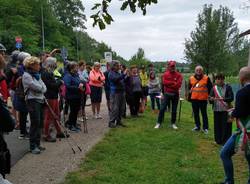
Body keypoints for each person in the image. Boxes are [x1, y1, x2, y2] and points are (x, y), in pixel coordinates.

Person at [220, 67, 250, 184]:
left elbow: (240, 112)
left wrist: (233, 112)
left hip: (244, 130)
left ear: (242, 78)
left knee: (225, 153)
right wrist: (237, 109)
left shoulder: (242, 92)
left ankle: (229, 181)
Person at [22, 56, 47, 154]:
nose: (39, 66)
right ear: (32, 65)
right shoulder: (26, 75)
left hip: (40, 100)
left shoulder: (37, 75)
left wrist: (41, 88)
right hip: (32, 101)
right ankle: (32, 146)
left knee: (40, 123)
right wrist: (42, 88)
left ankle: (37, 143)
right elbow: (35, 87)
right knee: (35, 123)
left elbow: (43, 87)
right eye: (37, 64)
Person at [41, 57, 65, 142]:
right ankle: (46, 134)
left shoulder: (50, 72)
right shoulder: (46, 73)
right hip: (49, 96)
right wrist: (60, 82)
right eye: (54, 63)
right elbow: (51, 86)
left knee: (56, 115)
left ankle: (59, 132)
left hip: (54, 96)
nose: (56, 64)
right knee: (49, 116)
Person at [154, 61, 183, 129]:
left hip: (175, 94)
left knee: (174, 110)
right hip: (167, 94)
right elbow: (164, 83)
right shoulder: (165, 74)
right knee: (162, 108)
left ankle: (173, 123)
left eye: (173, 66)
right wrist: (173, 83)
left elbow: (178, 85)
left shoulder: (179, 75)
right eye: (171, 66)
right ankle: (159, 123)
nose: (172, 67)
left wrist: (170, 84)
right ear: (169, 67)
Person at [209, 73, 234, 145]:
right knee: (217, 125)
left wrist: (222, 99)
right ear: (215, 80)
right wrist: (211, 99)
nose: (220, 80)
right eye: (218, 79)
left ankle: (225, 141)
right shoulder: (213, 88)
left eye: (221, 79)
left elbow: (231, 98)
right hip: (216, 109)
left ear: (224, 79)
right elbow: (210, 100)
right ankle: (217, 140)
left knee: (226, 126)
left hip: (226, 110)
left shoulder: (228, 87)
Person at [189, 65, 212, 133]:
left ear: (202, 71)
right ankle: (197, 126)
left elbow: (210, 89)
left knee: (204, 114)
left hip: (203, 99)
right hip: (194, 99)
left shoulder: (206, 78)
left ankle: (205, 128)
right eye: (197, 70)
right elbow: (189, 88)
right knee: (196, 113)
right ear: (195, 71)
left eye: (200, 70)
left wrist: (210, 97)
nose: (198, 71)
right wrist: (189, 96)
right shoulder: (191, 78)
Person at [63, 62, 84, 132]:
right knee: (73, 111)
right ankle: (70, 125)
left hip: (78, 95)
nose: (77, 68)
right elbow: (68, 86)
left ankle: (74, 124)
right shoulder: (68, 76)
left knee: (76, 111)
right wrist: (78, 87)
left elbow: (79, 82)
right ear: (72, 68)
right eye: (76, 67)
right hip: (71, 96)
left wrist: (82, 85)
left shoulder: (76, 75)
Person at [108, 60, 126, 128]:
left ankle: (119, 121)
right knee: (115, 108)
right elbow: (116, 79)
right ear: (114, 66)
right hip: (115, 93)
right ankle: (111, 122)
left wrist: (126, 76)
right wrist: (124, 74)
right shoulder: (111, 73)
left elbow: (122, 80)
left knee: (121, 108)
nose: (119, 66)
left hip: (121, 92)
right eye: (118, 65)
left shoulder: (118, 73)